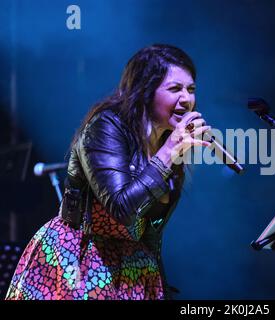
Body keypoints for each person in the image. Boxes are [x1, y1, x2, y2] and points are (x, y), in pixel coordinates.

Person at [5, 44, 211, 300]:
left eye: (191, 89)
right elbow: (122, 207)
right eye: (174, 89)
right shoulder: (106, 127)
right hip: (81, 258)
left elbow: (150, 229)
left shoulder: (167, 140)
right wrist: (168, 152)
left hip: (133, 268)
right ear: (145, 92)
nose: (186, 99)